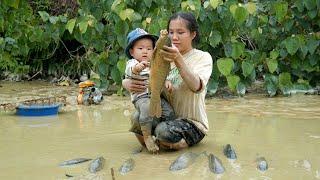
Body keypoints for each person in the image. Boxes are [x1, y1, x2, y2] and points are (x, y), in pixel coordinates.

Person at [122, 12, 213, 151]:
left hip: (192, 123)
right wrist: (126, 83)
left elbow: (196, 86)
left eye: (180, 32)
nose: (174, 37)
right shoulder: (161, 57)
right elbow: (146, 75)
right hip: (165, 116)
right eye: (171, 32)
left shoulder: (202, 58)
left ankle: (167, 142)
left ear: (193, 34)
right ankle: (155, 147)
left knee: (162, 131)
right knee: (137, 118)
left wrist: (178, 59)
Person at [124, 28, 175, 153]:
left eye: (149, 48)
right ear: (132, 51)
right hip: (141, 97)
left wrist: (167, 82)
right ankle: (147, 136)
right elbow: (132, 70)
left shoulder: (154, 63)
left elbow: (161, 75)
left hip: (155, 96)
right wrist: (138, 67)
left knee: (168, 112)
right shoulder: (132, 62)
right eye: (140, 48)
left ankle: (163, 137)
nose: (145, 51)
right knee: (146, 109)